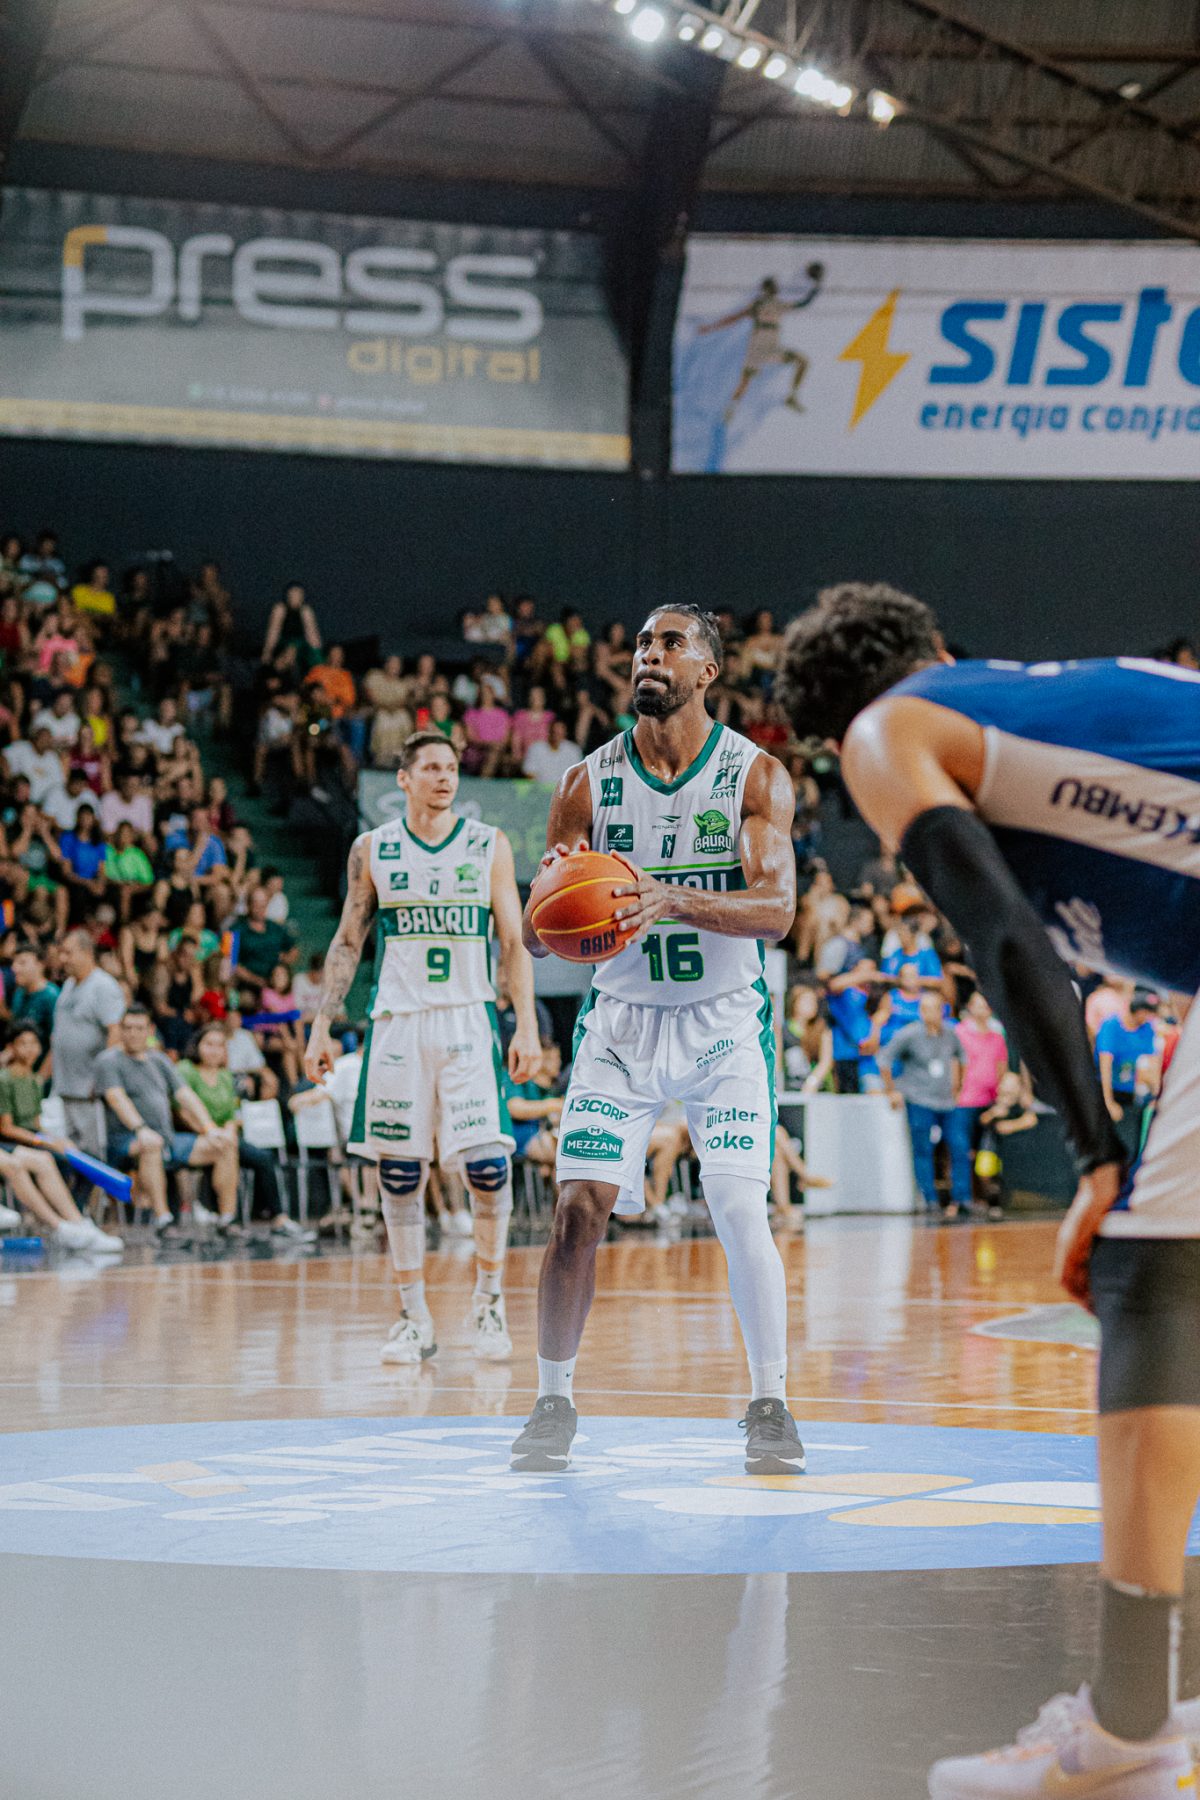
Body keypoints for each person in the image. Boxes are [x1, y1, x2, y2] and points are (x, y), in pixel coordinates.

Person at [777, 580, 1200, 1795]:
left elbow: (1001, 935)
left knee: (1150, 1279)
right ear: (939, 644)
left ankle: (1126, 1734)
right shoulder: (1057, 716)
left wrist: (1099, 1157)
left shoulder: (892, 730)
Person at [509, 604, 802, 1478]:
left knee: (740, 1208)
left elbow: (777, 912)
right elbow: (534, 935)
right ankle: (552, 1401)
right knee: (576, 1210)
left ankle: (771, 1404)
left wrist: (669, 897)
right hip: (622, 1024)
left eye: (671, 643)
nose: (650, 655)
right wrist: (553, 909)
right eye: (641, 643)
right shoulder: (586, 783)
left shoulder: (754, 775)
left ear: (708, 669)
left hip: (724, 1022)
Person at [303, 729, 540, 1364]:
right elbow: (348, 939)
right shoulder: (372, 849)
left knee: (488, 1167)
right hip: (397, 1023)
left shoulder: (488, 844)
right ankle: (413, 1317)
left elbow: (513, 942)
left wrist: (526, 1025)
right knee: (400, 1173)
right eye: (431, 768)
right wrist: (322, 1025)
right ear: (403, 780)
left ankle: (489, 1301)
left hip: (468, 1019)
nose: (445, 778)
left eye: (451, 768)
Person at [96, 1007, 241, 1240]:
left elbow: (185, 1095)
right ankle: (163, 1220)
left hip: (168, 1138)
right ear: (121, 1030)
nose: (133, 1033)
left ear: (150, 1031)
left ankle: (227, 1218)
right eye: (128, 1028)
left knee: (225, 1144)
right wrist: (140, 1129)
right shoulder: (109, 1060)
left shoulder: (159, 1060)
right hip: (126, 1139)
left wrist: (210, 1129)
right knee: (151, 1144)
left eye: (139, 1028)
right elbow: (117, 1098)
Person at [178, 1024, 313, 1241]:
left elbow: (232, 1114)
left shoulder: (225, 1075)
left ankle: (279, 1218)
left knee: (263, 1158)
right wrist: (209, 1131)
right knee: (225, 1148)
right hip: (195, 1135)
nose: (214, 1050)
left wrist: (229, 1131)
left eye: (219, 1046)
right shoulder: (186, 1070)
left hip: (224, 1135)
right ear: (197, 1046)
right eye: (209, 1044)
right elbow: (182, 1111)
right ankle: (225, 1216)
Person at [0, 1022, 124, 1252]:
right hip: (14, 1141)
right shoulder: (4, 1079)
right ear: (11, 1047)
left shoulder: (34, 1080)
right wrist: (44, 1141)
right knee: (52, 1161)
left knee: (81, 1160)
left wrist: (56, 1140)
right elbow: (6, 1128)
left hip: (32, 1140)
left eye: (33, 1043)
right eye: (22, 1043)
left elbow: (36, 1123)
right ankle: (64, 1225)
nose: (29, 1049)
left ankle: (77, 1221)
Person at [881, 989, 972, 1219]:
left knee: (959, 1146)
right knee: (923, 1150)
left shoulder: (950, 1033)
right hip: (919, 1099)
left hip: (947, 1101)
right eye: (926, 1009)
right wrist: (892, 1090)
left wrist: (959, 1087)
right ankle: (930, 1200)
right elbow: (884, 1059)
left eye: (935, 1008)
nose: (931, 1013)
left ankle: (962, 1198)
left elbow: (963, 1057)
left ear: (943, 1010)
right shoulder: (909, 1034)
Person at [697, 266, 824, 424]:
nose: (773, 290)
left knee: (802, 361)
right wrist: (710, 328)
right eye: (771, 287)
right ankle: (730, 410)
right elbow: (733, 318)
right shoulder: (757, 305)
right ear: (766, 289)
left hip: (772, 348)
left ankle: (791, 397)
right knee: (745, 380)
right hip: (757, 349)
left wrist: (815, 289)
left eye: (774, 288)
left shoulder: (778, 304)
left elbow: (801, 304)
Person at [50, 927, 126, 1160]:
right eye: (61, 953)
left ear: (87, 953)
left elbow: (116, 1032)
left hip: (88, 1092)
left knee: (92, 1158)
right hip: (64, 1087)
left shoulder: (103, 986)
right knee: (67, 1156)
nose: (63, 959)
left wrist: (101, 1079)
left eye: (68, 953)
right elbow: (59, 1036)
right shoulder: (68, 985)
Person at [1096, 988, 1162, 1163]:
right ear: (1138, 1010)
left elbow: (1153, 1062)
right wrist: (1108, 1102)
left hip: (1130, 1091)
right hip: (1105, 1088)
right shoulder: (1111, 1026)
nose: (1150, 1017)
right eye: (1147, 1012)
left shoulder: (1147, 1029)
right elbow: (1105, 1065)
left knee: (1131, 1138)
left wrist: (1157, 1093)